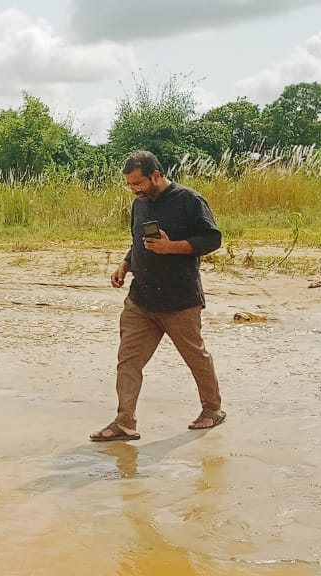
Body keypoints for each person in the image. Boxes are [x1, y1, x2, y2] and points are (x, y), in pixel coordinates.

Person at [90, 150, 225, 443]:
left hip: (180, 299)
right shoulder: (140, 204)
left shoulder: (189, 200)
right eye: (130, 185)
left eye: (138, 183)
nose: (134, 190)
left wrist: (173, 247)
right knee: (128, 361)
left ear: (156, 175)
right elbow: (137, 242)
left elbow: (213, 238)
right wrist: (125, 264)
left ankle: (212, 410)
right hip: (141, 299)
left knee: (195, 357)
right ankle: (124, 423)